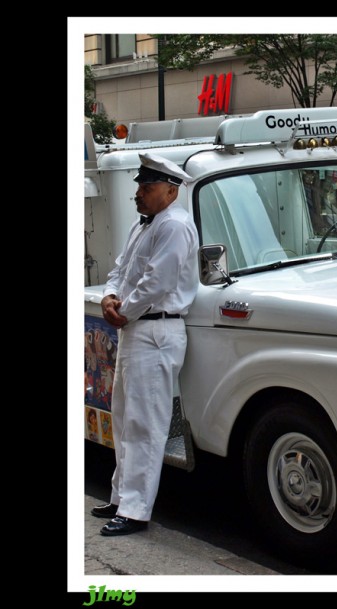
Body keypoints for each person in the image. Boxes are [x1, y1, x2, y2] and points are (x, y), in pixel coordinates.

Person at [91, 152, 199, 536]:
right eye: (139, 185)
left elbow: (159, 282)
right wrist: (109, 296)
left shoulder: (174, 226)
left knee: (145, 423)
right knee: (123, 418)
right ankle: (122, 497)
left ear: (171, 191)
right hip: (138, 327)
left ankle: (136, 510)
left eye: (147, 186)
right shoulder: (146, 225)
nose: (138, 192)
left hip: (156, 330)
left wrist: (124, 311)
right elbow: (120, 269)